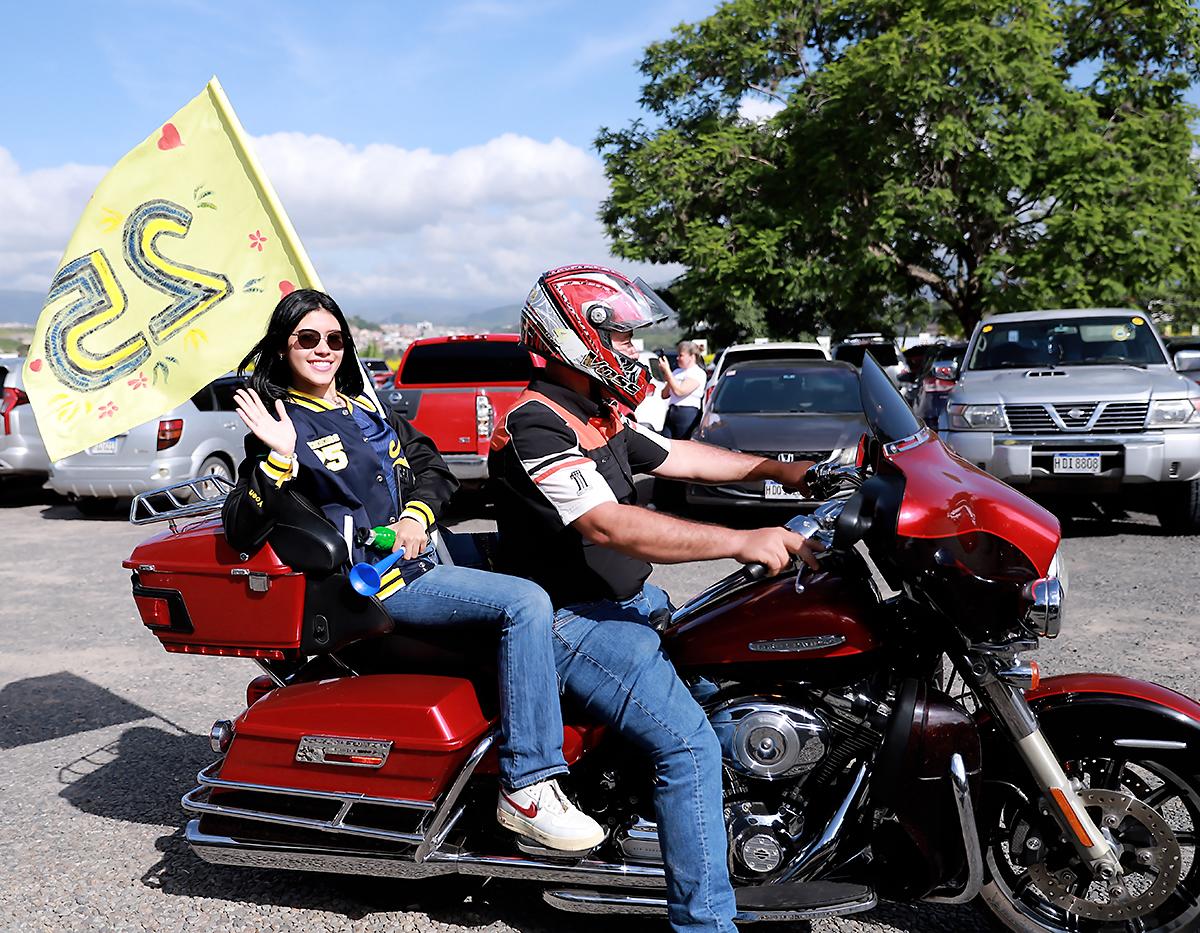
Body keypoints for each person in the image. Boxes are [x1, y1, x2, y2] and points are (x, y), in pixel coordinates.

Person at [488, 265, 821, 933]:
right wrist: (742, 538)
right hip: (571, 620)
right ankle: (704, 923)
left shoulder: (595, 411)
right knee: (689, 744)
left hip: (634, 603)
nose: (637, 350)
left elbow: (680, 456)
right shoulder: (535, 423)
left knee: (739, 677)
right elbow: (608, 523)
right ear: (578, 336)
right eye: (623, 335)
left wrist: (780, 468)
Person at [221, 288, 604, 852]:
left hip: (421, 553)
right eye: (308, 339)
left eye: (334, 338)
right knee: (525, 602)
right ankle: (528, 785)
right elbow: (241, 524)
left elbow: (433, 470)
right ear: (283, 347)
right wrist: (277, 454)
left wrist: (416, 515)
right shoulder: (279, 423)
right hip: (376, 585)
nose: (323, 349)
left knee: (546, 559)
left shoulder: (369, 408)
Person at [658, 340, 706, 439]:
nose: (677, 358)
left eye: (681, 355)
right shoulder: (676, 371)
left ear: (692, 356)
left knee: (683, 444)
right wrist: (668, 374)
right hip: (672, 412)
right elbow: (664, 394)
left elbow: (680, 391)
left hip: (687, 413)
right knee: (666, 444)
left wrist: (667, 370)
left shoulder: (698, 373)